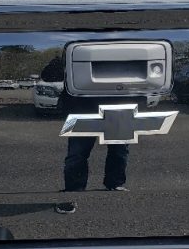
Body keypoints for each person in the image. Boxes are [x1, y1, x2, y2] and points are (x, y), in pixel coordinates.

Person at [40, 56, 136, 195]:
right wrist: (65, 61)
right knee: (76, 154)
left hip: (119, 106)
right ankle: (74, 189)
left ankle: (115, 184)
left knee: (119, 151)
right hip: (81, 108)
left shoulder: (123, 51)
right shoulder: (75, 51)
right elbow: (48, 76)